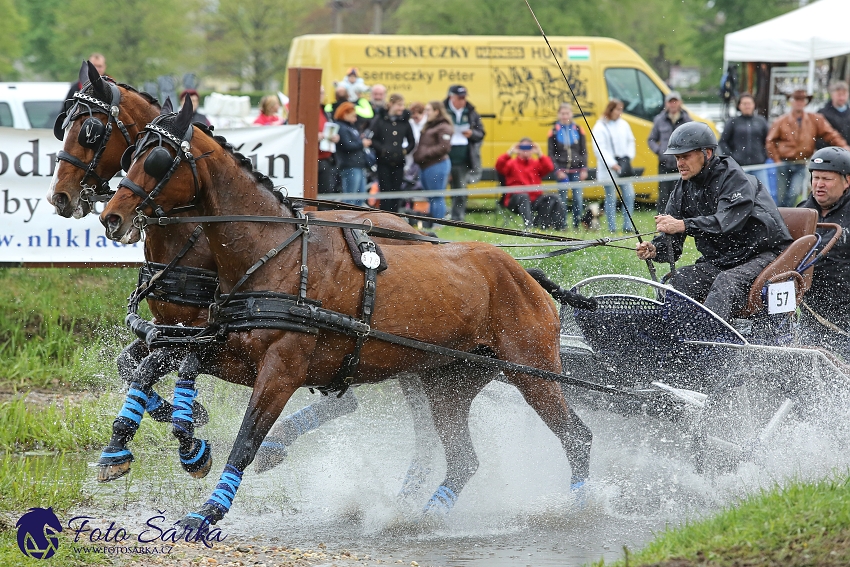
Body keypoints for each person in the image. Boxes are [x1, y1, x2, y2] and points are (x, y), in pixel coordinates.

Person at [636, 122, 793, 322]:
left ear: (707, 153)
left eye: (685, 156)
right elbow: (673, 243)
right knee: (678, 281)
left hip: (764, 256)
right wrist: (655, 249)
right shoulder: (682, 188)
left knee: (726, 282)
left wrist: (683, 224)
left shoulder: (734, 178)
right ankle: (674, 338)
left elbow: (727, 222)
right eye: (677, 158)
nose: (679, 163)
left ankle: (711, 344)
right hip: (724, 261)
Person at [798, 147, 850, 355]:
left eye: (827, 179)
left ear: (847, 181)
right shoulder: (801, 212)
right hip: (812, 314)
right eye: (815, 177)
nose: (819, 185)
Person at [766, 89, 849, 207]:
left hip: (801, 163)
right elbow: (770, 141)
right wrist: (776, 159)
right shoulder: (781, 121)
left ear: (806, 102)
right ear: (791, 102)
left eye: (802, 100)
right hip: (784, 163)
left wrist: (845, 148)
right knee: (781, 194)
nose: (799, 103)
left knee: (794, 193)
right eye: (796, 99)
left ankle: (789, 217)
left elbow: (830, 134)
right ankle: (781, 218)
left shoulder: (815, 119)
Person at [495, 137, 564, 229]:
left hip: (534, 199)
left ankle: (552, 227)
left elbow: (549, 167)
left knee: (553, 198)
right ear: (518, 149)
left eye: (529, 148)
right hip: (515, 200)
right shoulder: (511, 163)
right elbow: (499, 166)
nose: (526, 151)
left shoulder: (536, 164)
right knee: (524, 196)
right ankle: (529, 227)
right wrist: (510, 153)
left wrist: (539, 153)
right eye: (523, 148)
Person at [592, 99, 637, 233]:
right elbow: (600, 148)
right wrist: (612, 163)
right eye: (617, 110)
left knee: (629, 195)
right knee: (611, 197)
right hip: (608, 169)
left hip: (624, 166)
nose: (619, 113)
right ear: (610, 110)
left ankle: (627, 225)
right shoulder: (600, 126)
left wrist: (627, 157)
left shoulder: (624, 125)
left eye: (621, 110)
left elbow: (630, 141)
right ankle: (612, 227)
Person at [443, 84, 485, 221]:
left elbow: (481, 133)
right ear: (451, 96)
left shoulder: (471, 112)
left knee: (460, 191)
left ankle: (457, 219)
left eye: (464, 97)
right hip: (443, 158)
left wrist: (472, 133)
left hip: (462, 160)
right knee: (439, 190)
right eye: (460, 97)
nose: (463, 100)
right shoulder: (442, 110)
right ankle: (438, 218)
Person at [369, 93, 416, 212]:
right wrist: (383, 150)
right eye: (399, 105)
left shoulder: (404, 121)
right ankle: (385, 216)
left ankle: (395, 216)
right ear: (390, 105)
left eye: (402, 105)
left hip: (399, 161)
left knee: (396, 191)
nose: (401, 108)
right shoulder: (380, 120)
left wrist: (404, 151)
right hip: (383, 161)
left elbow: (412, 141)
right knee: (385, 191)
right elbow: (372, 139)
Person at [648, 91, 692, 213]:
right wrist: (659, 151)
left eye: (675, 101)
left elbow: (693, 139)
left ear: (680, 103)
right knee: (663, 196)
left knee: (681, 194)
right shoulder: (659, 120)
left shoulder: (688, 120)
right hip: (664, 164)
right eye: (670, 102)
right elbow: (651, 139)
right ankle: (661, 222)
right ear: (666, 104)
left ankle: (678, 221)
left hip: (683, 165)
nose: (673, 104)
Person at [548, 103, 588, 229]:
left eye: (567, 113)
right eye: (562, 113)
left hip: (576, 170)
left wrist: (584, 168)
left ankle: (576, 224)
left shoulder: (578, 129)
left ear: (571, 114)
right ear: (559, 115)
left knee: (578, 199)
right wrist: (557, 170)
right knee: (562, 200)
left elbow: (584, 151)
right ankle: (563, 224)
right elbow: (551, 153)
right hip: (562, 171)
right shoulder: (554, 131)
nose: (565, 116)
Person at [413, 101, 454, 225]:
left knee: (437, 196)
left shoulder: (444, 126)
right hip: (426, 165)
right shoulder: (431, 125)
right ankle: (432, 223)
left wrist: (424, 154)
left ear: (437, 111)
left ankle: (438, 224)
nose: (426, 113)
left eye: (428, 110)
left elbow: (444, 147)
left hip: (437, 164)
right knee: (431, 197)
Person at [719, 93, 770, 191]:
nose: (747, 106)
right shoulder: (733, 122)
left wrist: (764, 155)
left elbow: (768, 141)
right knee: (740, 192)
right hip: (740, 167)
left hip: (759, 165)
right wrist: (731, 157)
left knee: (763, 192)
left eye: (749, 103)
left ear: (754, 105)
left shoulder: (761, 121)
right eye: (744, 103)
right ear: (739, 106)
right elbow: (723, 142)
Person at [334, 102, 371, 207]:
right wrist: (361, 143)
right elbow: (346, 145)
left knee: (360, 197)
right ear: (345, 114)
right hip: (349, 165)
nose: (355, 118)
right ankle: (348, 220)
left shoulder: (350, 127)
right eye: (353, 115)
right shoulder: (341, 127)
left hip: (357, 164)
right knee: (351, 198)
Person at [317, 86, 338, 194]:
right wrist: (313, 137)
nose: (321, 96)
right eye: (319, 93)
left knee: (326, 194)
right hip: (311, 160)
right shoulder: (306, 112)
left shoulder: (325, 111)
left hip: (326, 159)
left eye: (322, 93)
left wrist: (335, 137)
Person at [817, 81, 850, 150]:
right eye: (839, 95)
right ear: (832, 95)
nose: (841, 98)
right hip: (829, 153)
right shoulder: (822, 114)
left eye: (844, 95)